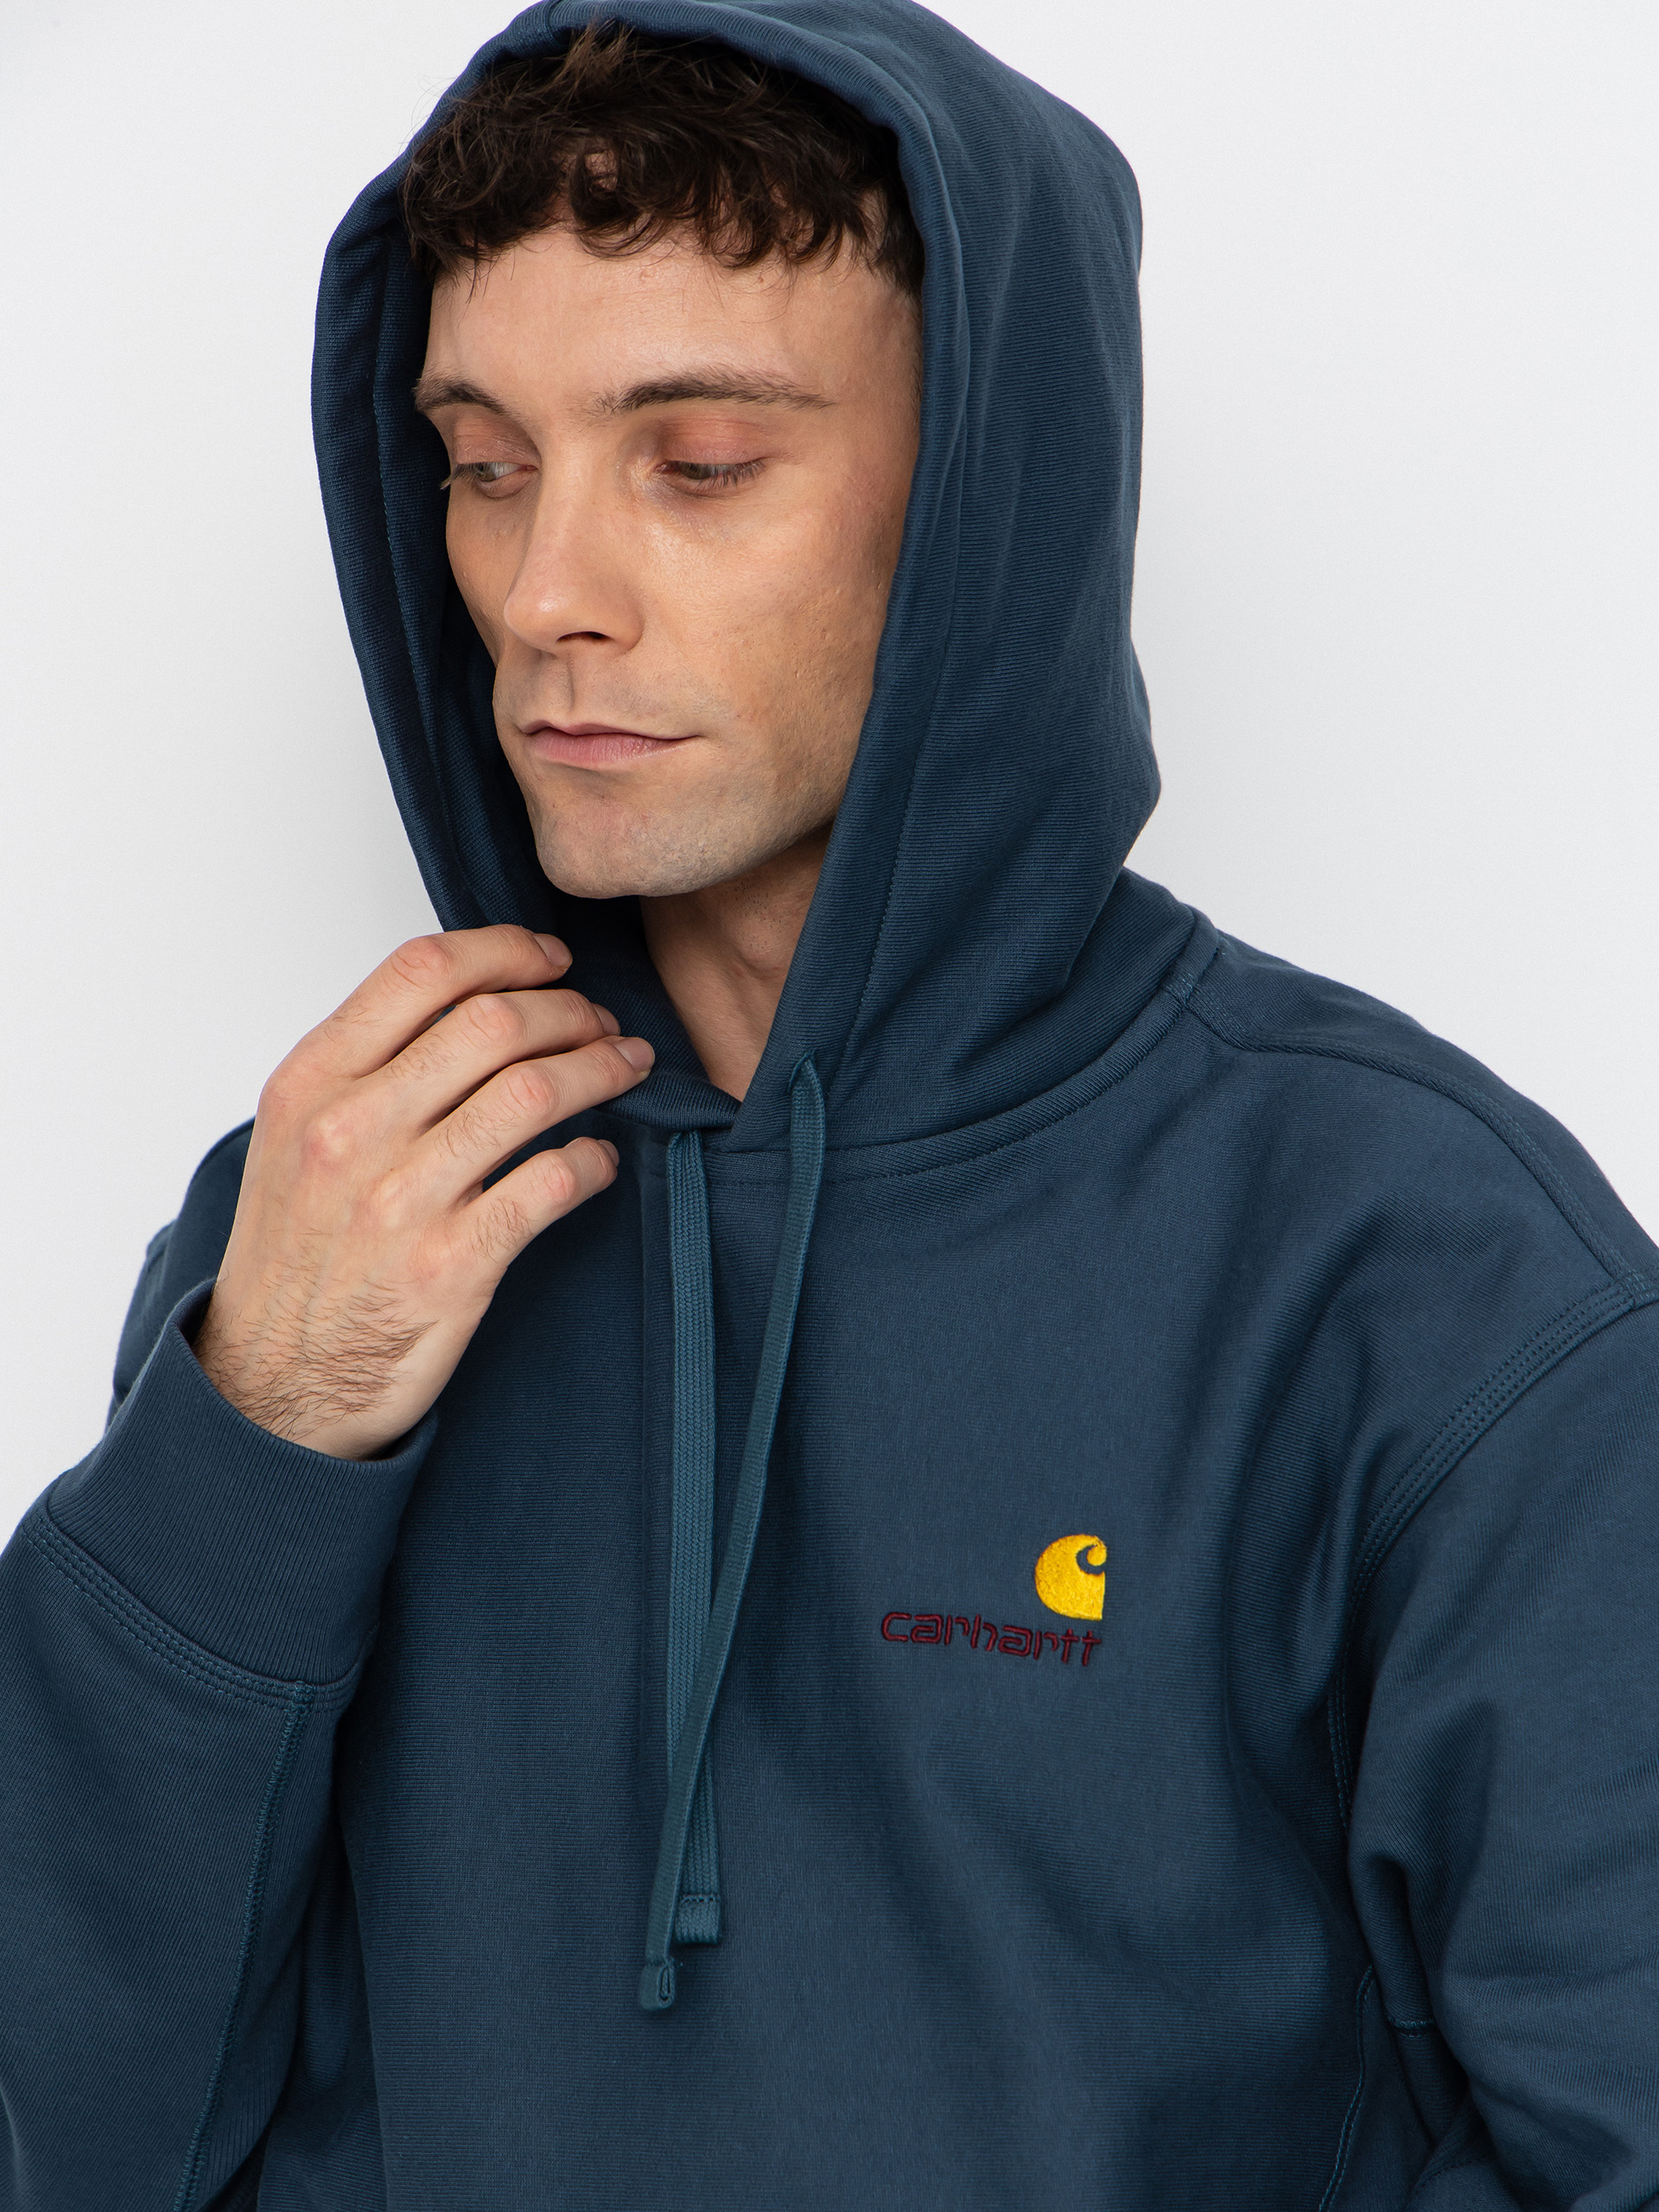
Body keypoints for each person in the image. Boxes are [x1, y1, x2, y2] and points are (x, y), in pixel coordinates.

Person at [3, 3, 1656, 2205]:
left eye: (696, 463)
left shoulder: (1429, 1278)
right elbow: (71, 2135)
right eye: (484, 464)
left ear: (984, 503)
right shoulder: (338, 1215)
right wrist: (256, 1433)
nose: (547, 597)